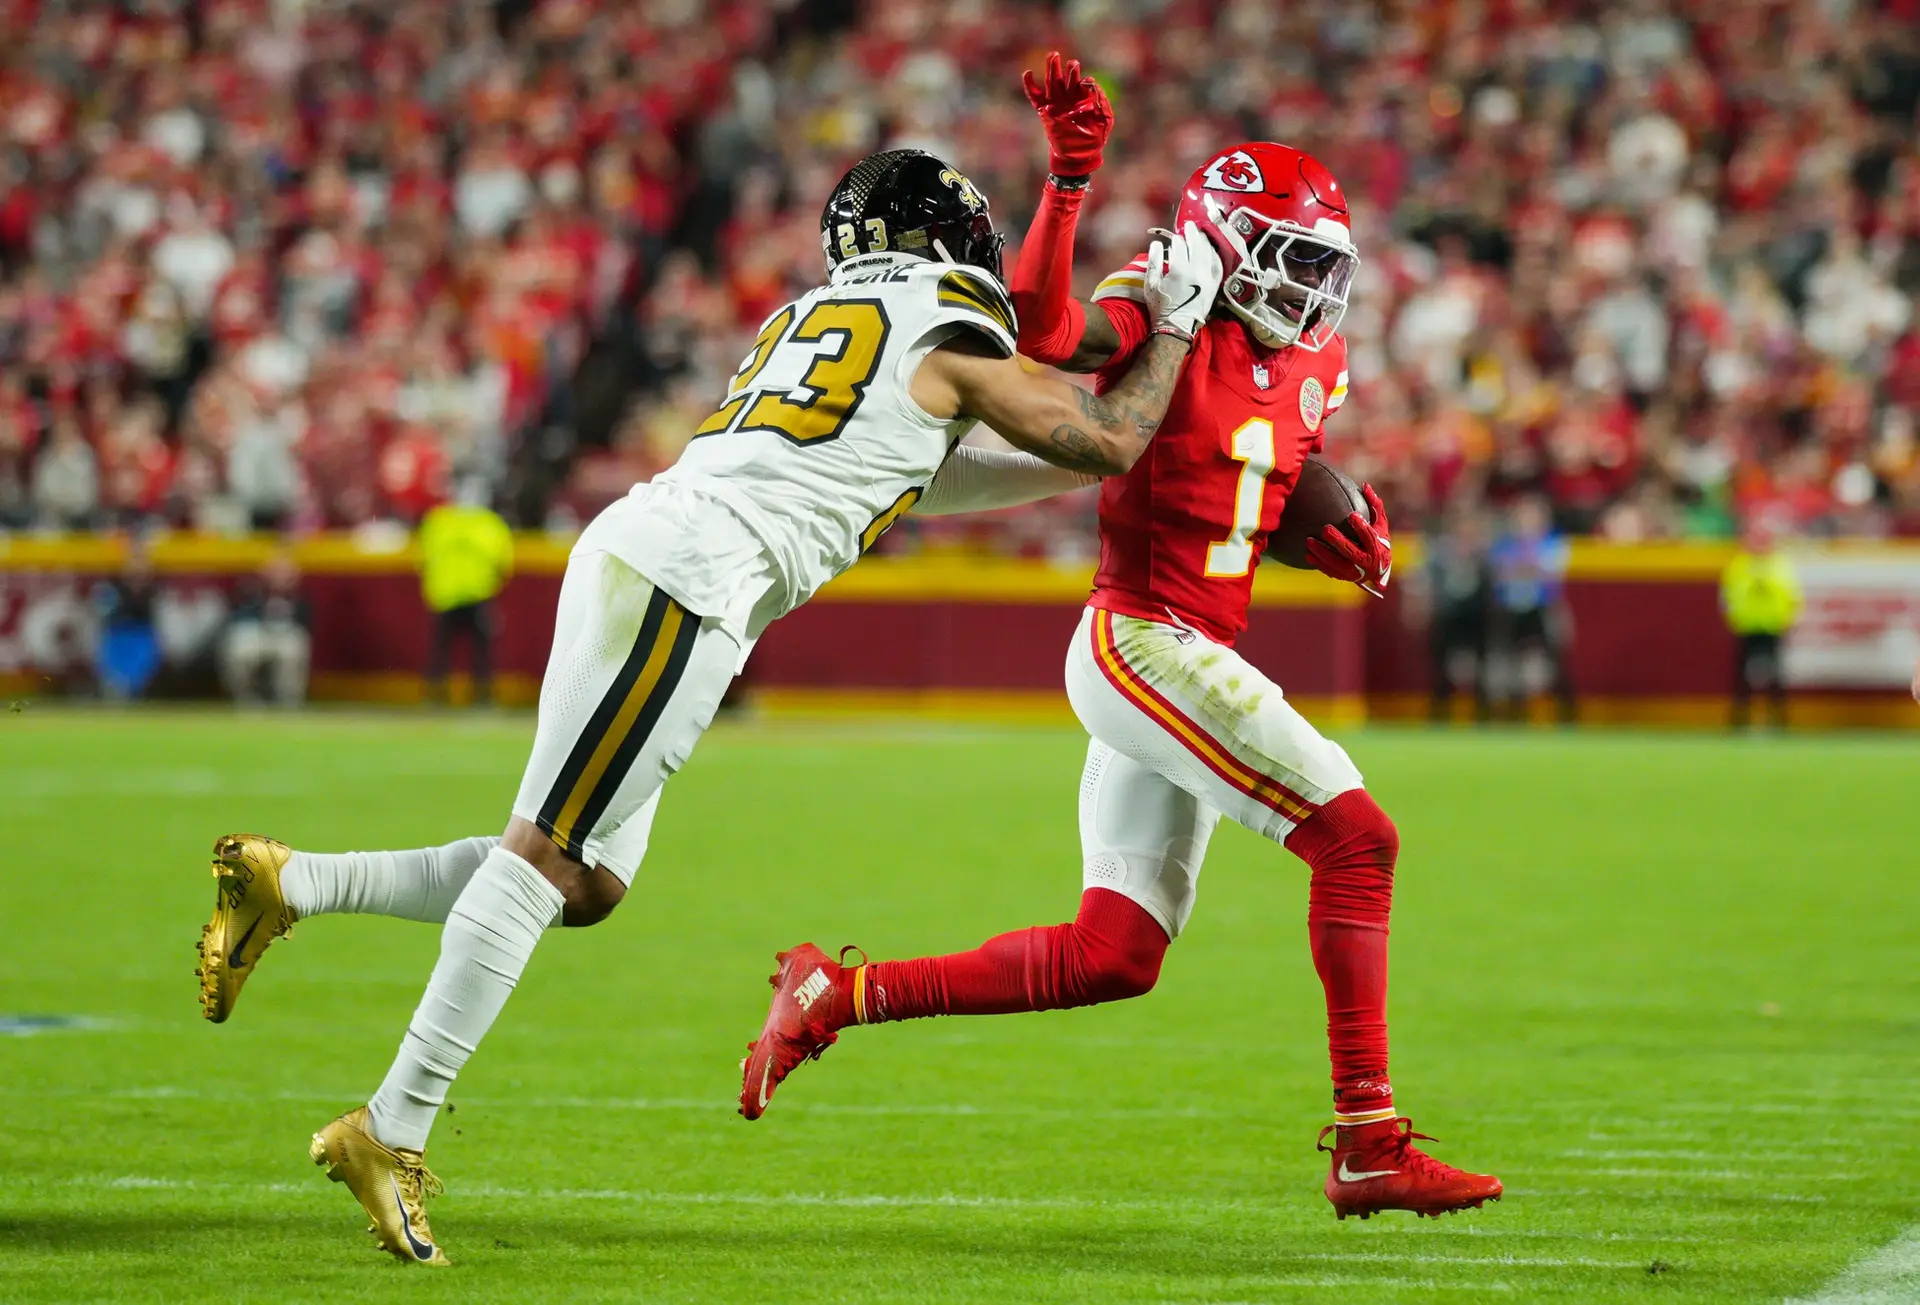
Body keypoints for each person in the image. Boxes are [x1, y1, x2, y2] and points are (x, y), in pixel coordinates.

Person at [193, 146, 1222, 1265]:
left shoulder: (826, 316)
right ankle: (390, 1128)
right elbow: (1106, 438)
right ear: (943, 237)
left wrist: (1123, 421)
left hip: (657, 560)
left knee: (584, 882)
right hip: (690, 580)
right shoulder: (945, 317)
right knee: (542, 860)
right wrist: (1174, 328)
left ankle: (292, 883)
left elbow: (978, 469)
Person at [741, 55, 1500, 1223]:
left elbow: (1234, 479)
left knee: (1115, 954)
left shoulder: (1312, 356)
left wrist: (1323, 523)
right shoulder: (1171, 303)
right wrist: (1072, 177)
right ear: (1223, 240)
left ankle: (838, 995)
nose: (1307, 287)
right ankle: (1368, 1140)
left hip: (1190, 645)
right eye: (1288, 256)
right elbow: (1043, 330)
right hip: (1141, 637)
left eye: (1321, 265)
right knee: (1358, 842)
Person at [418, 480, 514, 706]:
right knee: (453, 652)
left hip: (460, 595)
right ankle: (469, 697)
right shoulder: (487, 524)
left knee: (470, 653)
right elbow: (504, 564)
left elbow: (423, 560)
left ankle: (458, 696)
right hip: (460, 595)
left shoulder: (439, 522)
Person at [1487, 496, 1576, 722]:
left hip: (1542, 610)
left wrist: (1523, 568)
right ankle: (1508, 715)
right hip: (1509, 613)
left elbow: (1550, 573)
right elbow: (1500, 575)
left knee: (1548, 666)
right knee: (1504, 665)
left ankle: (1561, 715)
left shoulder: (1554, 543)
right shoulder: (1503, 545)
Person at [1720, 521, 1801, 729]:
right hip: (1747, 627)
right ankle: (1740, 719)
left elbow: (1790, 596)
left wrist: (1787, 620)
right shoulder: (1740, 565)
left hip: (1772, 626)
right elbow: (1728, 596)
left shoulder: (1778, 565)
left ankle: (1779, 719)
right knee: (1741, 678)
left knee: (1776, 677)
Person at [1425, 502, 1494, 722]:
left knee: (1481, 666)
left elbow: (1491, 588)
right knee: (1443, 666)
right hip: (1449, 616)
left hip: (1476, 617)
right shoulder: (1441, 553)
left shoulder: (1484, 554)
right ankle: (1440, 710)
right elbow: (1429, 584)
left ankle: (1483, 712)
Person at [223, 552, 311, 707]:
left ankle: (287, 700)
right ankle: (247, 698)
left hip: (285, 637)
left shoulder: (300, 596)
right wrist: (263, 612)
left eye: (284, 572)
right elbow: (237, 619)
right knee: (240, 646)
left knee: (293, 647)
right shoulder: (251, 591)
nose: (279, 576)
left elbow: (305, 625)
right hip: (257, 634)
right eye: (275, 571)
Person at [93, 540, 162, 700]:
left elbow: (156, 625)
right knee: (115, 681)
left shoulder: (154, 590)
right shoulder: (111, 586)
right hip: (116, 637)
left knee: (141, 673)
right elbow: (103, 616)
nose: (137, 568)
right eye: (133, 562)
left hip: (142, 637)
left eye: (141, 563)